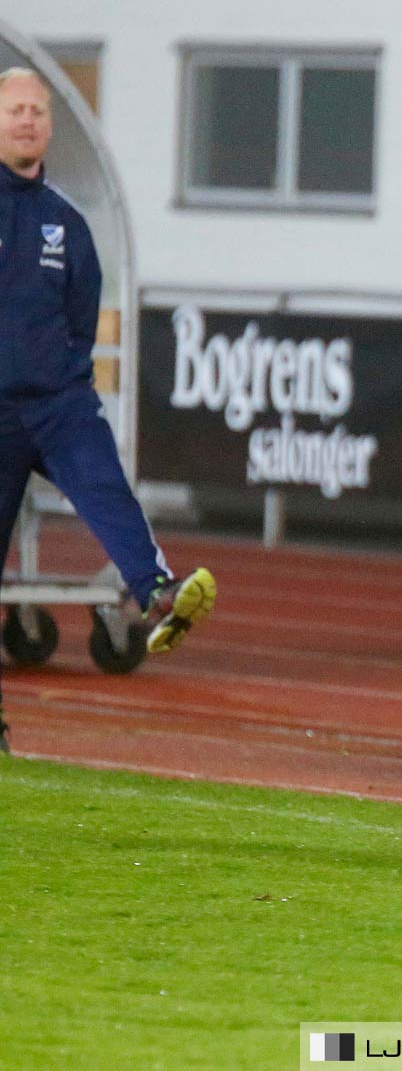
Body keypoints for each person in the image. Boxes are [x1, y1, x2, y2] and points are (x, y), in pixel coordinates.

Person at [0, 68, 215, 752]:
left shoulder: (67, 221)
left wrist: (59, 378)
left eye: (37, 110)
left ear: (51, 125)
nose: (28, 120)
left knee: (106, 489)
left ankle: (155, 590)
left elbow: (83, 313)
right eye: (14, 111)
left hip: (60, 403)